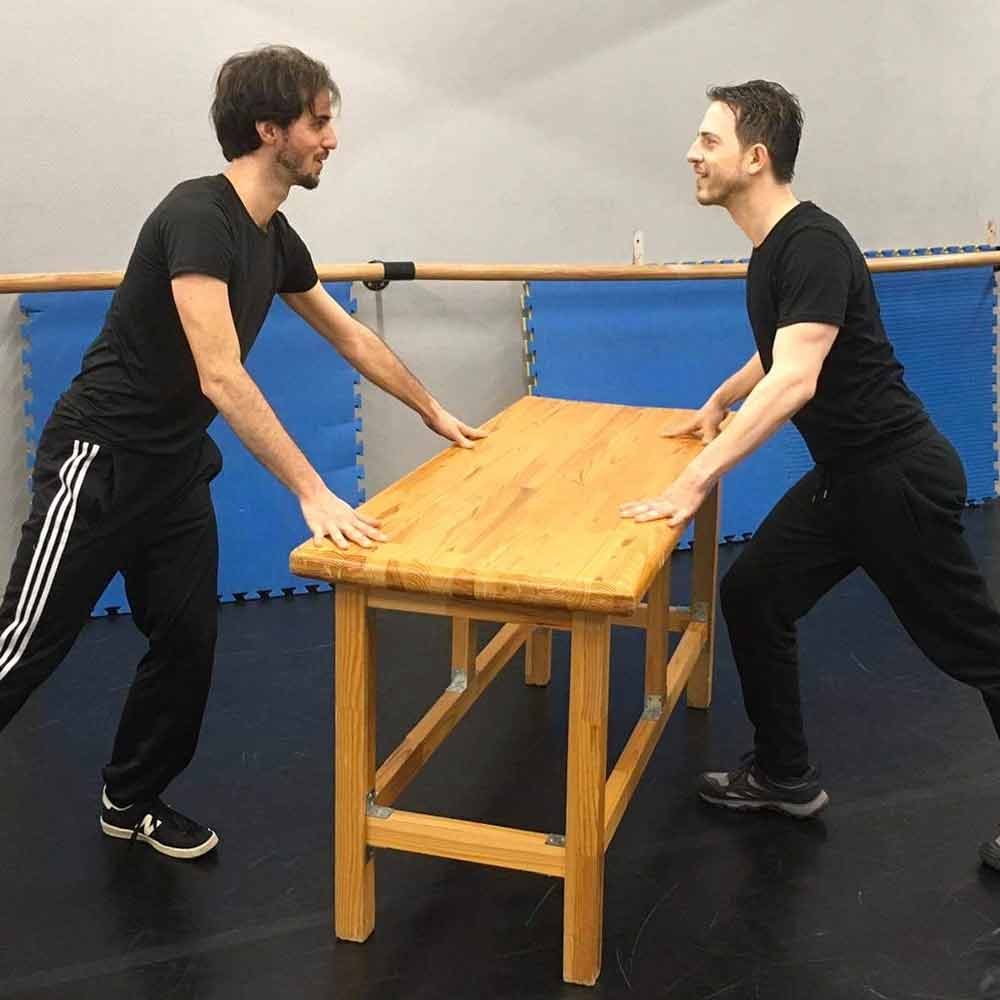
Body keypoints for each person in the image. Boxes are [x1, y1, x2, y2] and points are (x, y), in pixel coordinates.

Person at [0, 45, 484, 860]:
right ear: (271, 130)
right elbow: (220, 374)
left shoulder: (273, 234)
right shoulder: (197, 216)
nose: (332, 139)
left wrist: (434, 409)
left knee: (188, 643)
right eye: (319, 122)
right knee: (23, 646)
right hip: (101, 461)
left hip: (175, 470)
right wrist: (311, 490)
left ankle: (132, 797)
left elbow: (349, 334)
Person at [619, 80, 1000, 867]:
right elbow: (781, 350)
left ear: (755, 158)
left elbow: (796, 380)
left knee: (976, 653)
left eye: (709, 141)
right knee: (755, 594)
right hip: (849, 478)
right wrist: (717, 402)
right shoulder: (777, 249)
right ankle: (784, 776)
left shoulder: (813, 243)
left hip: (896, 478)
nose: (693, 153)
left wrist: (693, 484)